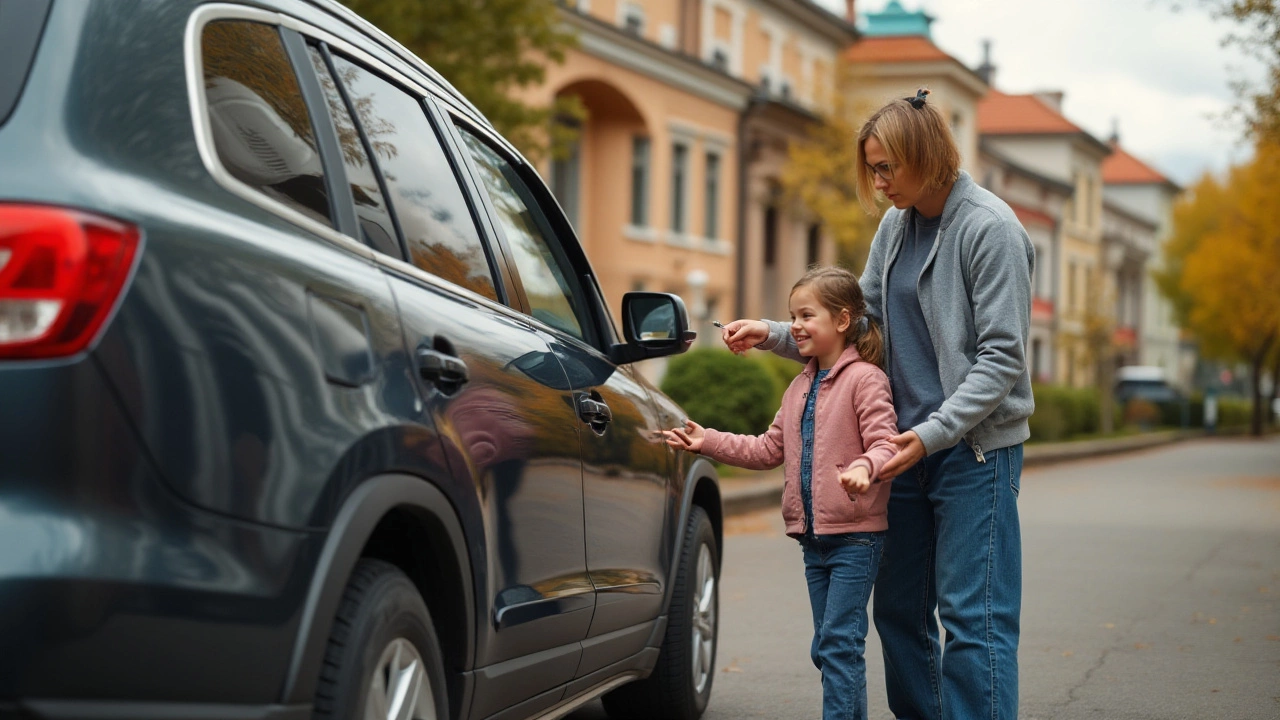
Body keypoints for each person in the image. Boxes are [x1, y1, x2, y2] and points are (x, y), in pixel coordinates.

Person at [722, 88, 1035, 720]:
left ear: (926, 155)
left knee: (972, 619)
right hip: (898, 450)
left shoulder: (990, 230)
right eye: (872, 168)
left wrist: (931, 434)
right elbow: (857, 325)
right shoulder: (896, 227)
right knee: (897, 611)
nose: (879, 180)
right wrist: (776, 333)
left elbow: (1001, 361)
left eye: (887, 166)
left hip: (973, 451)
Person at [664, 266, 898, 720]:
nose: (794, 326)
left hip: (855, 537)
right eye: (792, 315)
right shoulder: (799, 387)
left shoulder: (866, 379)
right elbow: (768, 449)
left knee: (838, 644)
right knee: (828, 647)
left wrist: (865, 467)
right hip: (814, 540)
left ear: (843, 320)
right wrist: (707, 440)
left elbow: (886, 443)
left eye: (806, 315)